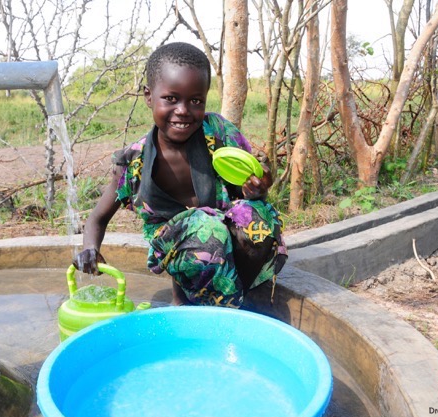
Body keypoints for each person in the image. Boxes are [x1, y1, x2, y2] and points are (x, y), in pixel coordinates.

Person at [74, 42, 287, 308]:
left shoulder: (217, 133)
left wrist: (258, 189)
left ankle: (238, 293)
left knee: (257, 216)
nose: (183, 110)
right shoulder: (133, 163)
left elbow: (254, 178)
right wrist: (90, 249)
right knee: (206, 228)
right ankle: (186, 300)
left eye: (195, 100)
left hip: (221, 233)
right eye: (171, 99)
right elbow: (98, 217)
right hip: (179, 245)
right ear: (149, 96)